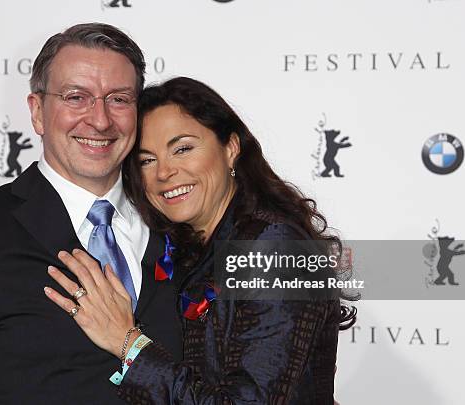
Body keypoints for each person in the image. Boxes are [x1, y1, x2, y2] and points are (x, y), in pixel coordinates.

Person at [0, 23, 182, 405]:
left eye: (118, 99)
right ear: (37, 112)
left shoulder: (178, 226)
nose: (100, 120)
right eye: (76, 97)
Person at [44, 77, 357, 404]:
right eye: (147, 160)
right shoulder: (182, 249)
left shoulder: (274, 246)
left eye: (183, 149)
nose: (164, 172)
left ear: (231, 148)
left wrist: (128, 341)